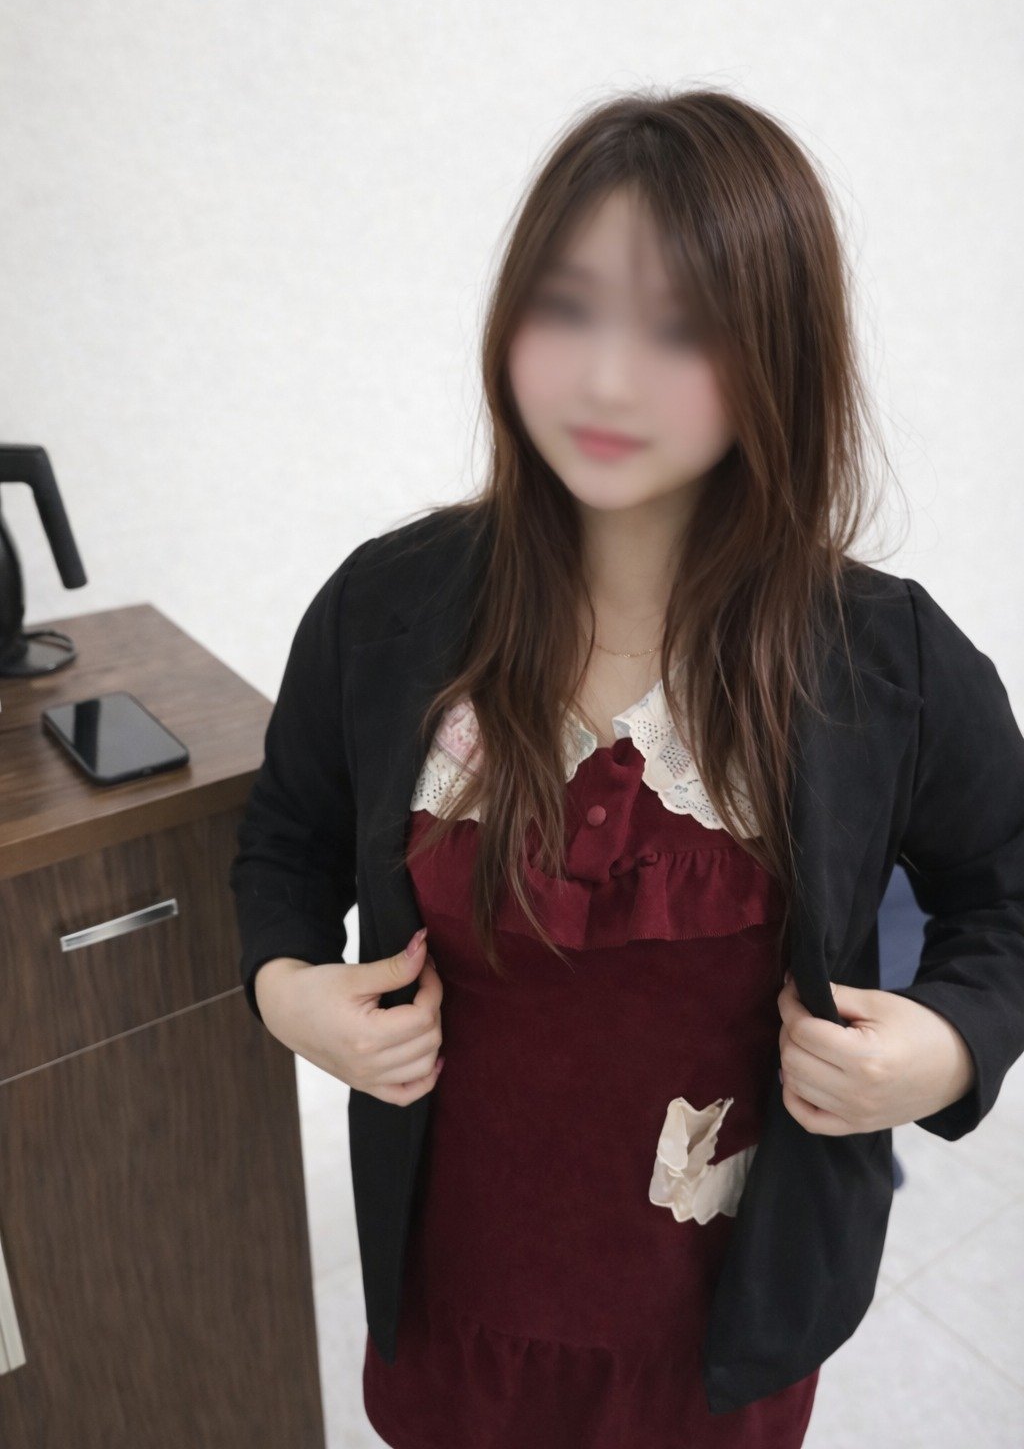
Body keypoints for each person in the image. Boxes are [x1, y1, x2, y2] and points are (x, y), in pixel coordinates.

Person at [230, 87, 1024, 1447]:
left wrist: (947, 1049)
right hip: (453, 1285)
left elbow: (1006, 891)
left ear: (778, 356)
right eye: (569, 308)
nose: (605, 380)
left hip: (723, 1323)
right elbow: (286, 839)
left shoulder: (881, 658)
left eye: (681, 329)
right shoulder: (388, 609)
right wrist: (287, 992)